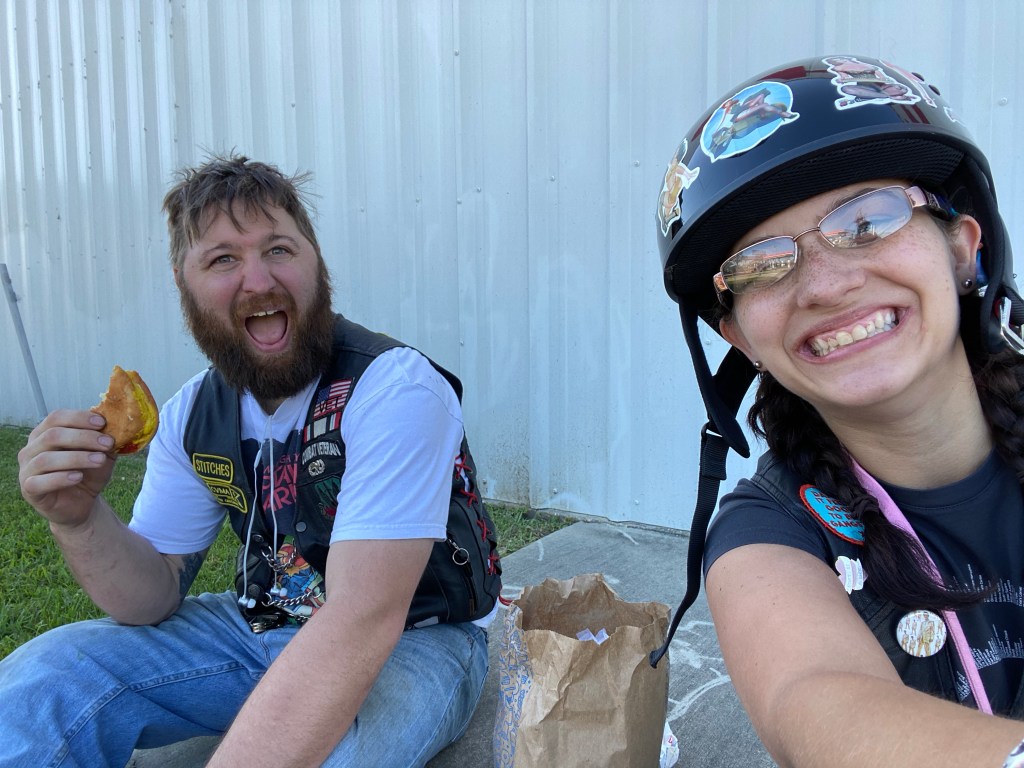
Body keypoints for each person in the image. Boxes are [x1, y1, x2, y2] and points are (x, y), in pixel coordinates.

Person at [7, 154, 502, 767]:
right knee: (45, 680)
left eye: (278, 250)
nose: (259, 281)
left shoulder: (394, 389)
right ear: (184, 285)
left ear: (317, 263)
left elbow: (363, 618)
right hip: (258, 624)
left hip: (414, 639)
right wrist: (78, 519)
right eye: (222, 259)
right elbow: (149, 596)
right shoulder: (193, 414)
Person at [654, 55, 1024, 766]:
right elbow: (817, 700)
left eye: (867, 220)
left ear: (962, 250)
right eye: (761, 265)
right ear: (741, 340)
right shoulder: (766, 538)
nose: (824, 285)